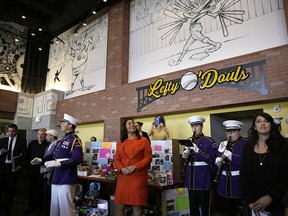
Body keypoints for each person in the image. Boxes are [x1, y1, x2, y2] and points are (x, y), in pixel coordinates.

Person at [31, 113, 83, 216]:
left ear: (70, 125)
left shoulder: (75, 140)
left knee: (66, 210)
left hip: (66, 178)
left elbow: (77, 159)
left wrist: (59, 163)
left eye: (63, 122)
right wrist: (41, 159)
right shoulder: (61, 140)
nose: (61, 124)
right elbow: (51, 155)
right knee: (54, 209)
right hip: (56, 178)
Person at [241, 112, 288, 215]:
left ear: (271, 125)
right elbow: (243, 175)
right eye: (259, 121)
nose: (262, 124)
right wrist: (250, 200)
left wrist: (270, 197)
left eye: (266, 121)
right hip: (253, 205)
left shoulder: (283, 146)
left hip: (276, 203)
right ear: (254, 127)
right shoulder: (247, 147)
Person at [114, 118, 152, 216]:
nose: (132, 125)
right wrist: (121, 168)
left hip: (137, 176)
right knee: (119, 205)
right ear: (125, 127)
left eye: (133, 123)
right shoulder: (121, 143)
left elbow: (148, 158)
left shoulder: (143, 141)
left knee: (137, 205)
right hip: (123, 176)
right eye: (129, 123)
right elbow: (116, 159)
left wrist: (135, 167)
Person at [181, 116, 217, 216]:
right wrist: (184, 156)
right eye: (192, 126)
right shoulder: (189, 141)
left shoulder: (209, 141)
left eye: (197, 125)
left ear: (202, 126)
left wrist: (198, 151)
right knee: (193, 209)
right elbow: (183, 163)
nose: (194, 128)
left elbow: (212, 160)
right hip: (191, 179)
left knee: (205, 209)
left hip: (203, 180)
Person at [214, 120, 248, 215]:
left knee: (239, 211)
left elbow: (247, 164)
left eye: (232, 132)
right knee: (226, 211)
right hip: (223, 183)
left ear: (239, 131)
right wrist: (217, 161)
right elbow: (217, 158)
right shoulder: (223, 144)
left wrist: (232, 157)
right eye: (228, 132)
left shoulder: (245, 144)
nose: (230, 134)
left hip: (238, 182)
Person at [0, 123, 27, 216]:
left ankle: (7, 210)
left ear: (16, 131)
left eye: (13, 131)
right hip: (2, 168)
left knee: (10, 190)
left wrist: (21, 166)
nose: (10, 133)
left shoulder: (22, 141)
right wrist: (0, 152)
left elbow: (24, 155)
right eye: (9, 131)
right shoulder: (2, 140)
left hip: (13, 169)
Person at [24, 128, 49, 215]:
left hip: (42, 172)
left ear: (46, 135)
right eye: (39, 134)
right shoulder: (32, 143)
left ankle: (40, 209)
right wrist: (27, 168)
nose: (40, 136)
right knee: (31, 190)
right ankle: (31, 207)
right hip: (31, 171)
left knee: (40, 191)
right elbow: (27, 156)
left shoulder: (48, 145)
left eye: (42, 134)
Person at [40, 129, 59, 216]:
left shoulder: (57, 146)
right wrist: (41, 167)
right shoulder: (48, 146)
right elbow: (44, 158)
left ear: (52, 136)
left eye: (47, 135)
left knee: (50, 196)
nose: (45, 137)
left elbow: (55, 161)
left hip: (52, 174)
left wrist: (46, 169)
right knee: (45, 194)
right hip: (45, 174)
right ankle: (45, 211)